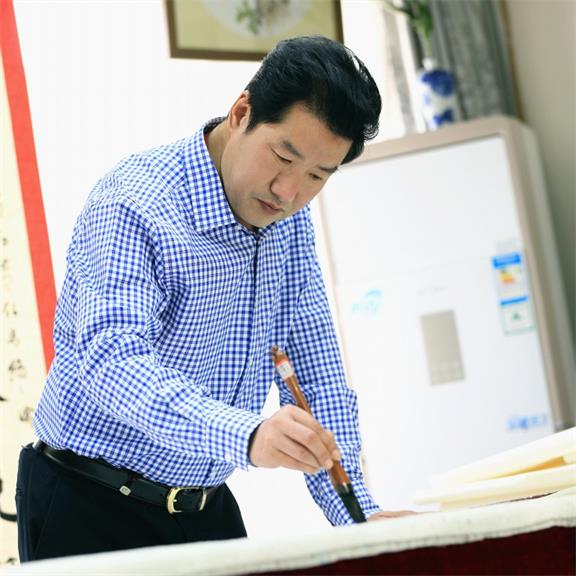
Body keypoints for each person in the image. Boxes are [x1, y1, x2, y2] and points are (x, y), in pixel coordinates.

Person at [16, 35, 409, 563]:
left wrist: (356, 515)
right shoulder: (135, 204)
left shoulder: (288, 224)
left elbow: (315, 372)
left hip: (205, 507)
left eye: (317, 176)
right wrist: (247, 436)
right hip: (90, 503)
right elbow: (112, 363)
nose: (288, 192)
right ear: (242, 112)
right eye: (283, 157)